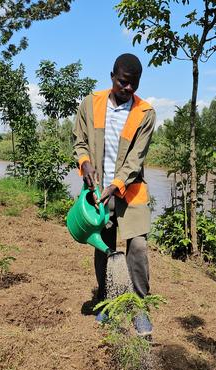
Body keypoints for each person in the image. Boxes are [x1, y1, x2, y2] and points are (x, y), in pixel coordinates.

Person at [72, 53, 156, 337]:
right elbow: (79, 142)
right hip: (97, 191)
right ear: (112, 76)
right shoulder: (90, 103)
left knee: (139, 248)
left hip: (130, 192)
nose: (129, 89)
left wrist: (114, 186)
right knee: (103, 247)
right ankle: (107, 302)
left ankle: (140, 308)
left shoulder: (145, 113)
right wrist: (85, 164)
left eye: (134, 84)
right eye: (123, 82)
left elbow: (135, 160)